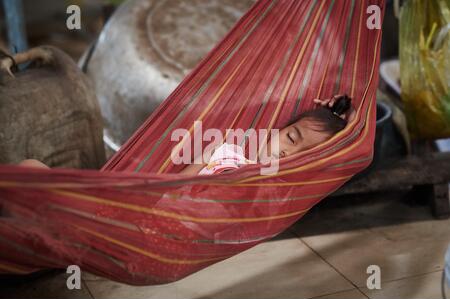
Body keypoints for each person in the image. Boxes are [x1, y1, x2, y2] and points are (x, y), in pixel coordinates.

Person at [19, 95, 355, 175]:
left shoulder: (268, 187)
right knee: (33, 170)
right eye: (291, 139)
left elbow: (349, 144)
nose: (286, 154)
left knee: (34, 177)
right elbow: (180, 182)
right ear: (277, 129)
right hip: (147, 203)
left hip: (167, 227)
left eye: (302, 155)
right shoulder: (225, 149)